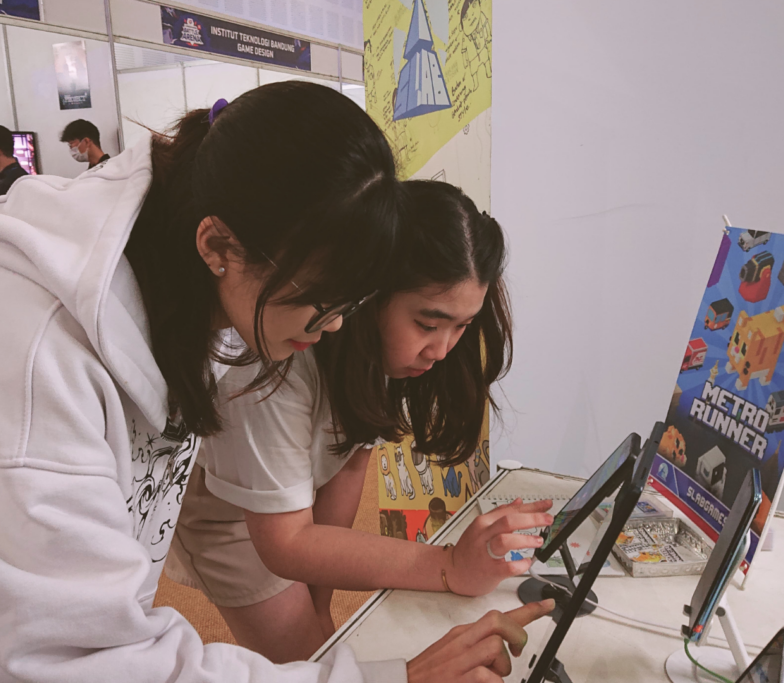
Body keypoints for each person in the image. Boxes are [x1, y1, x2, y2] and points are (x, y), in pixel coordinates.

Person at [0, 83, 549, 683]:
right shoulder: (30, 351)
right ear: (218, 245)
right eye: (320, 300)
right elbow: (105, 658)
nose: (331, 329)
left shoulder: (189, 280)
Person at [164, 179, 554, 663]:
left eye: (462, 326)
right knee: (308, 660)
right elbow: (286, 543)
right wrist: (449, 565)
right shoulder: (273, 373)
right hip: (231, 514)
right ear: (369, 293)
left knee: (321, 639)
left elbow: (349, 464)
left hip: (289, 502)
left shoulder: (383, 351)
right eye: (428, 324)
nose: (442, 349)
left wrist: (320, 603)